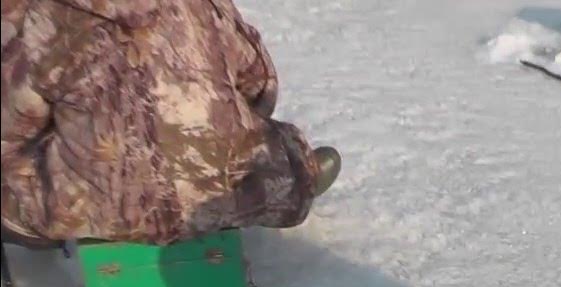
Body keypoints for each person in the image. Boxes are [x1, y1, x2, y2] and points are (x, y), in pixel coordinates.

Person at [0, 0, 340, 249]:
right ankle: (286, 181)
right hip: (220, 186)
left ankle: (77, 219)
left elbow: (13, 124)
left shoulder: (35, 14)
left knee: (23, 182)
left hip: (97, 199)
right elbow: (259, 83)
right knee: (276, 156)